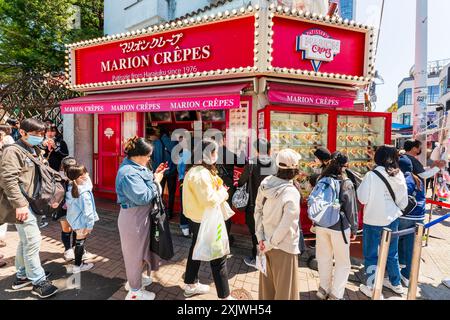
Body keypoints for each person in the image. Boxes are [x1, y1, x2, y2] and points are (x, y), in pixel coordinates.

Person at [0, 118, 57, 298]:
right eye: (36, 134)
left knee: (26, 241)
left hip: (34, 204)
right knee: (33, 242)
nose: (40, 137)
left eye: (42, 134)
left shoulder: (32, 149)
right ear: (22, 133)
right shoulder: (12, 151)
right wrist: (20, 205)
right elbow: (8, 180)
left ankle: (22, 274)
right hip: (23, 206)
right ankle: (38, 280)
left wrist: (45, 151)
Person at [116, 137, 167, 300]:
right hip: (133, 218)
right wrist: (157, 183)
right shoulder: (128, 172)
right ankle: (135, 291)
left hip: (141, 216)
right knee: (134, 256)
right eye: (148, 156)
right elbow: (143, 196)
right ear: (138, 155)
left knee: (143, 251)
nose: (149, 158)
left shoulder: (135, 166)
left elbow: (144, 187)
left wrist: (155, 175)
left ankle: (135, 280)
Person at [182, 140, 234, 300]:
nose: (217, 156)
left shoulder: (195, 170)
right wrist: (224, 193)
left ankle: (190, 284)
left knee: (195, 248)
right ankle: (225, 296)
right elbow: (210, 200)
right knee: (218, 257)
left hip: (197, 217)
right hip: (205, 219)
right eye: (215, 152)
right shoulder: (201, 174)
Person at [357, 145, 408, 298]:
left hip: (372, 220)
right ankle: (396, 283)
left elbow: (362, 198)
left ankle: (372, 286)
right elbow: (403, 202)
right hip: (392, 219)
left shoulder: (371, 175)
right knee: (392, 254)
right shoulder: (398, 175)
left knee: (371, 254)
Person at [255, 148, 302, 300]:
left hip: (265, 244)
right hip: (284, 247)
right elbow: (286, 224)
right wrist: (270, 243)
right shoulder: (291, 192)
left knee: (266, 291)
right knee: (285, 293)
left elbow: (258, 212)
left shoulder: (266, 183)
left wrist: (261, 238)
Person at [314, 152, 358, 301]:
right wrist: (353, 228)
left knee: (323, 258)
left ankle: (323, 289)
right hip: (339, 226)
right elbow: (351, 209)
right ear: (345, 165)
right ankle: (336, 295)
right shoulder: (346, 183)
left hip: (321, 225)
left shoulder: (322, 178)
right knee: (343, 262)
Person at [237, 138, 275, 268]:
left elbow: (242, 180)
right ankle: (269, 257)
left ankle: (257, 258)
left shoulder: (252, 162)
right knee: (269, 231)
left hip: (254, 205)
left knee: (255, 232)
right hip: (271, 205)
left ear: (257, 150)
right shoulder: (274, 162)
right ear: (269, 150)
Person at [398, 155, 426, 287]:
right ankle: (407, 275)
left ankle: (395, 271)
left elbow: (400, 200)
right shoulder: (418, 179)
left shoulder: (404, 180)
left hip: (405, 217)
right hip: (419, 218)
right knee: (411, 248)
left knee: (393, 242)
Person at [65, 164, 98, 273]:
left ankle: (79, 262)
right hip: (81, 222)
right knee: (80, 242)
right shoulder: (84, 193)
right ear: (80, 177)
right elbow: (88, 212)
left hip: (73, 221)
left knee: (79, 242)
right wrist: (90, 225)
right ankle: (78, 266)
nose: (88, 174)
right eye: (86, 173)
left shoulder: (70, 188)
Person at [215, 133, 241, 245]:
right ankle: (224, 237)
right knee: (226, 211)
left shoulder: (210, 153)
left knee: (216, 211)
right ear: (224, 140)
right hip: (227, 186)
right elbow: (242, 162)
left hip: (214, 185)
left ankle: (217, 236)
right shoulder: (228, 153)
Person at [151, 127, 177, 219]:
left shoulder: (155, 143)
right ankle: (170, 212)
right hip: (172, 171)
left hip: (160, 172)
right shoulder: (174, 142)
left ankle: (159, 211)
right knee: (171, 193)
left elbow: (152, 158)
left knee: (159, 192)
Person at [177, 135, 192, 237]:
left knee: (184, 204)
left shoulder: (182, 154)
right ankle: (187, 227)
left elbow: (180, 170)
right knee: (189, 204)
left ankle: (185, 227)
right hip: (190, 181)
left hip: (183, 181)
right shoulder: (192, 153)